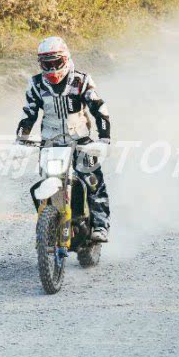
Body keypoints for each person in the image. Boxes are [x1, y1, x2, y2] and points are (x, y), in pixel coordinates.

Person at [16, 36, 111, 242]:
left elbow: (99, 109)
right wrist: (20, 140)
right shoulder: (36, 84)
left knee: (93, 181)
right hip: (50, 143)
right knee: (48, 180)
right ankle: (48, 222)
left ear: (66, 59)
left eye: (56, 63)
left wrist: (104, 140)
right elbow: (29, 114)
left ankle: (100, 225)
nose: (52, 69)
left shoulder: (81, 81)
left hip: (80, 141)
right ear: (40, 64)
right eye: (46, 64)